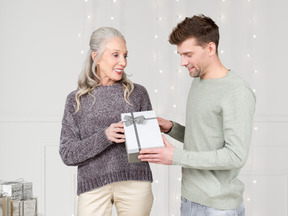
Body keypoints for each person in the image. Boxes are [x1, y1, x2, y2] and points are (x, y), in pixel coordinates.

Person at [138, 14, 256, 216]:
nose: (183, 62)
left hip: (218, 207)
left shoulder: (237, 91)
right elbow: (206, 139)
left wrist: (176, 156)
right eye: (180, 55)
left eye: (188, 54)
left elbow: (235, 156)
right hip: (190, 200)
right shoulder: (198, 82)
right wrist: (171, 128)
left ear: (210, 48)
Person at [59, 27, 154, 216]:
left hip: (135, 183)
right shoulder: (76, 100)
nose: (123, 62)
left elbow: (149, 148)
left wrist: (146, 137)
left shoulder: (138, 94)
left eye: (125, 56)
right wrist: (105, 136)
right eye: (115, 55)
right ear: (96, 56)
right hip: (92, 186)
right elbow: (67, 153)